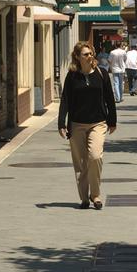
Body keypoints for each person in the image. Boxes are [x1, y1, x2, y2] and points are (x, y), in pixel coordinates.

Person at [58, 43, 116, 208]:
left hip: (98, 123)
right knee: (81, 163)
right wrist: (61, 123)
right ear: (77, 57)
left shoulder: (101, 73)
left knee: (95, 157)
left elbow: (109, 98)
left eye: (91, 53)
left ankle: (95, 195)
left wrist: (112, 120)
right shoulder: (72, 76)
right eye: (85, 54)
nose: (90, 56)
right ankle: (84, 197)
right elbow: (65, 100)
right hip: (77, 124)